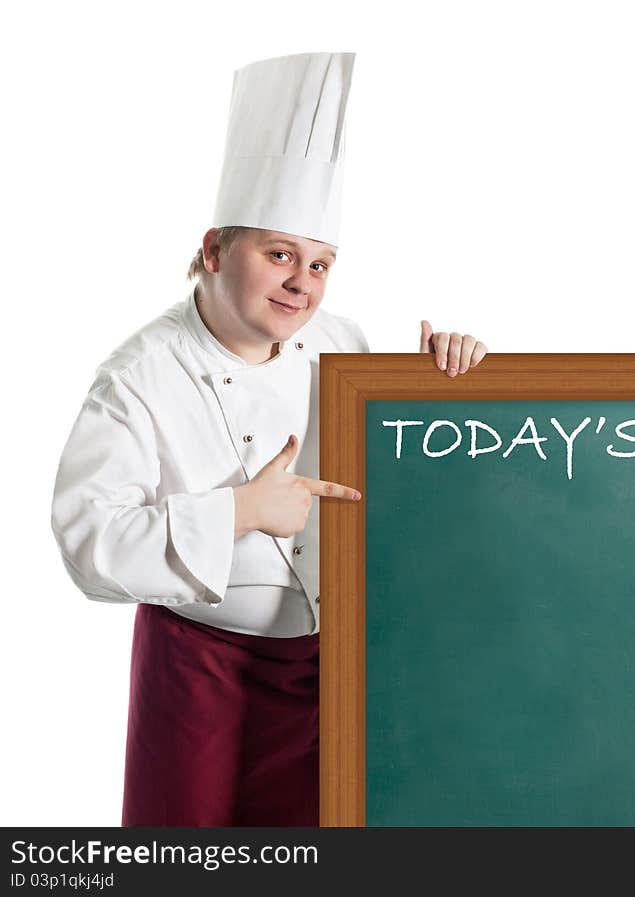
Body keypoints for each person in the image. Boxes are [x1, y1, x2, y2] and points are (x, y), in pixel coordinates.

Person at [50, 51, 488, 827]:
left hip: (329, 674)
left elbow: (408, 480)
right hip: (199, 675)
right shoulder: (138, 376)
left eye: (320, 264)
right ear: (215, 250)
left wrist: (444, 379)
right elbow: (89, 543)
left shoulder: (344, 345)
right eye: (280, 254)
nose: (302, 284)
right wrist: (240, 511)